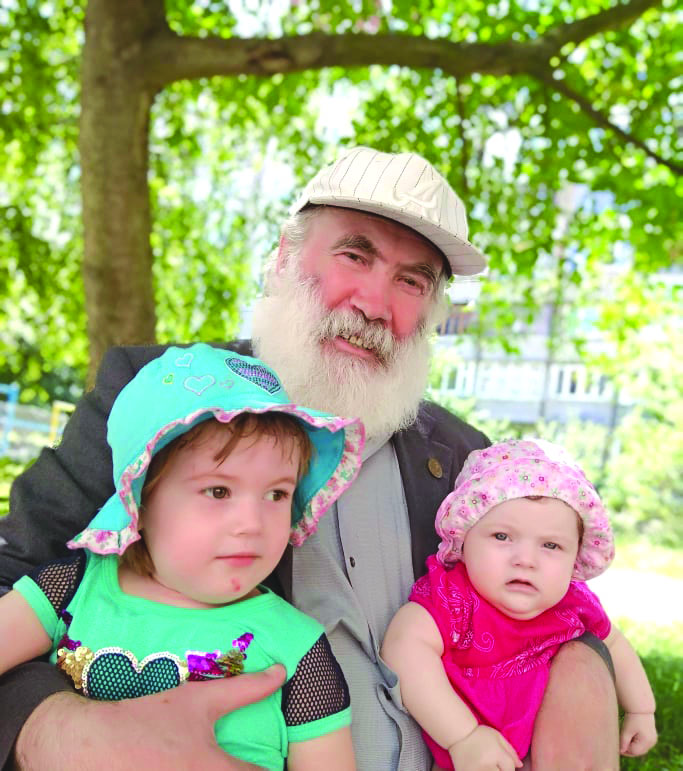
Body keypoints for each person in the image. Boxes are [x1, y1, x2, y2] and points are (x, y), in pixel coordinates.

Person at [0, 147, 618, 770]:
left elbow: (543, 593)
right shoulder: (160, 395)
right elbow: (15, 576)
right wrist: (56, 729)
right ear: (285, 258)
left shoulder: (467, 459)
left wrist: (583, 665)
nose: (374, 304)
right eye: (354, 255)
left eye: (411, 282)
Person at [0, 344, 363, 771]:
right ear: (142, 499)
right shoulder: (71, 589)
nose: (252, 523)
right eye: (218, 491)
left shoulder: (298, 648)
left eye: (277, 494)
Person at [382, 438, 657, 771]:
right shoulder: (455, 600)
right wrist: (463, 736)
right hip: (477, 755)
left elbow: (613, 643)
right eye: (502, 537)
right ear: (464, 540)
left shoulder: (571, 603)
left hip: (552, 748)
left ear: (575, 558)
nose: (525, 560)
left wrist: (642, 709)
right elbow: (404, 647)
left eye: (551, 545)